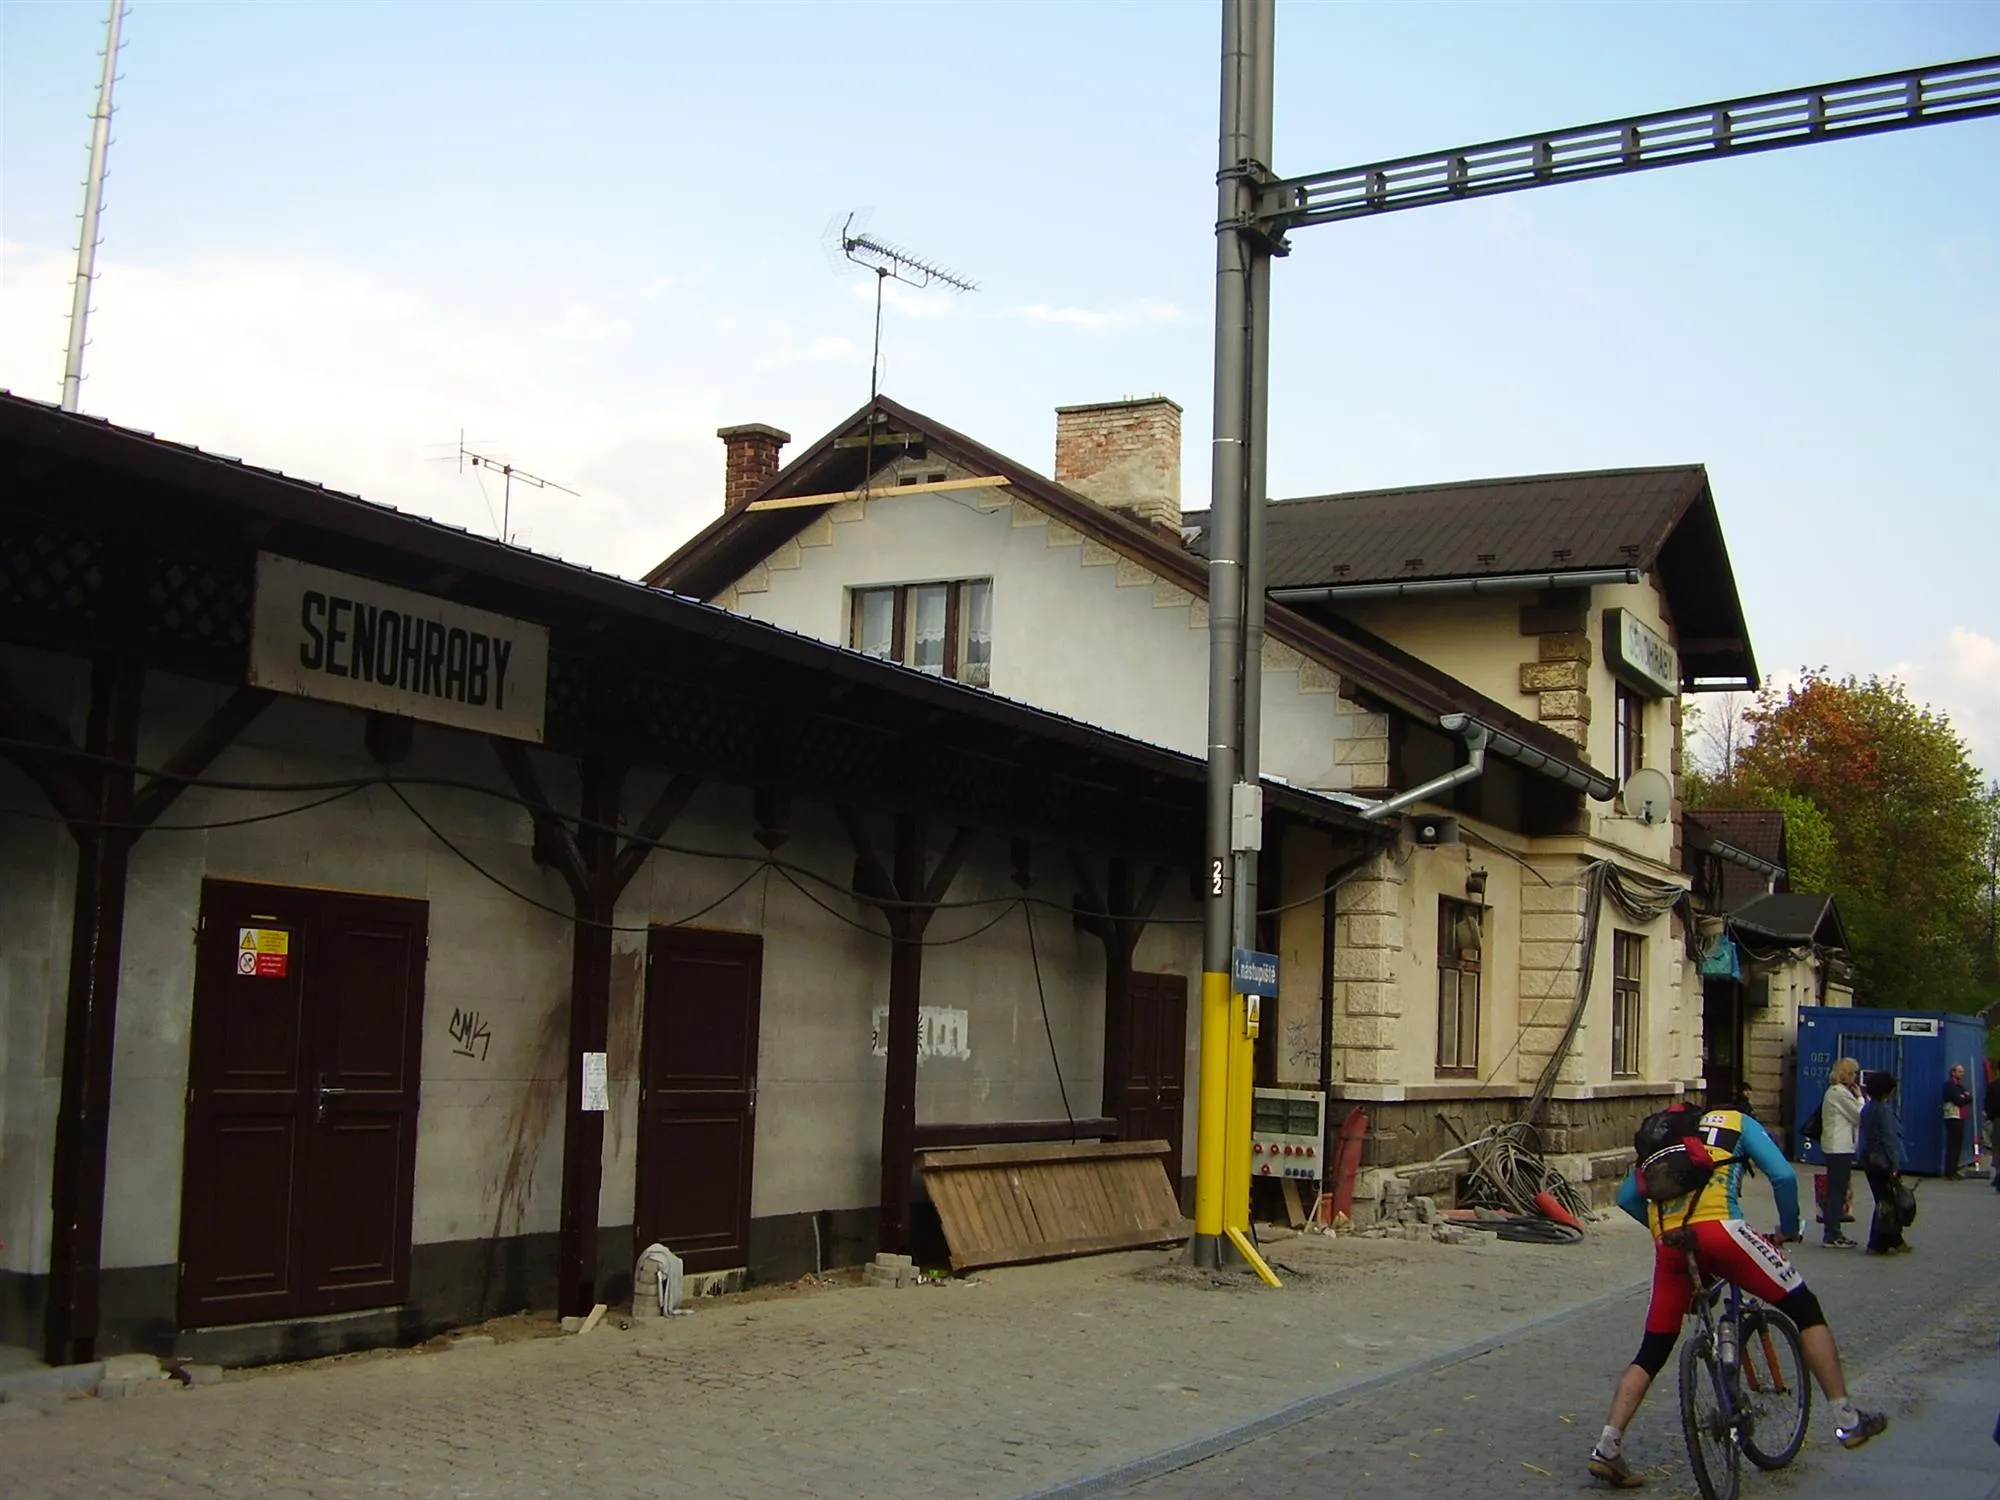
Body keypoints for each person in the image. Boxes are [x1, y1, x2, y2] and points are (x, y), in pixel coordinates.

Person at [1588, 1101, 1887, 1488]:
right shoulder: (1737, 1124)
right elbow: (1781, 1176)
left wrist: (1666, 1229)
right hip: (1723, 1231)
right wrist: (1788, 1226)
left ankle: (1607, 1447)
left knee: (1653, 1349)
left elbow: (1628, 1198)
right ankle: (1848, 1420)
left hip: (1671, 1243)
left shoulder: (1667, 1139)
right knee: (1805, 1308)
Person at [1859, 1071, 1908, 1255]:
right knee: (1887, 1202)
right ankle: (1878, 1242)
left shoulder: (1867, 1109)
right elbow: (1889, 1140)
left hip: (1869, 1159)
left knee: (1884, 1200)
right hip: (1883, 1160)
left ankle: (1892, 1239)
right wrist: (1895, 1165)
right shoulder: (1884, 1111)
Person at [1818, 1058, 1865, 1248]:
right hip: (1840, 1147)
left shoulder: (1834, 1092)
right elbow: (1859, 1115)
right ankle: (1832, 1233)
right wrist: (1860, 1097)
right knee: (1837, 1191)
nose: (1855, 1077)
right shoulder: (1840, 1093)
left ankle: (1832, 1231)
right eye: (1853, 1073)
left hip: (1835, 1146)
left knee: (1836, 1189)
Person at [1943, 1064, 1975, 1178]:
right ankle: (1949, 1171)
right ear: (1953, 1073)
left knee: (1958, 1144)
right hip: (1952, 1116)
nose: (1962, 1074)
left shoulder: (1960, 1086)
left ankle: (1954, 1169)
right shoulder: (1949, 1085)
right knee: (1953, 1144)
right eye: (1960, 1071)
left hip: (1960, 1116)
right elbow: (1958, 1100)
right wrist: (1963, 1097)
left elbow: (1969, 1097)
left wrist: (1963, 1097)